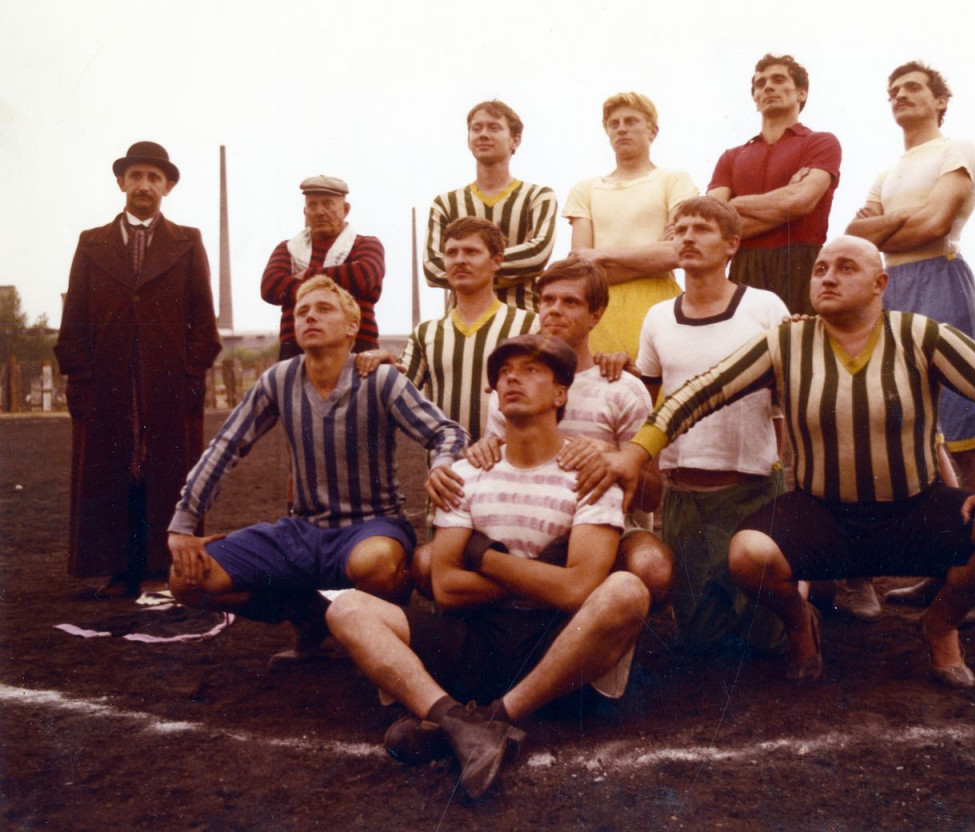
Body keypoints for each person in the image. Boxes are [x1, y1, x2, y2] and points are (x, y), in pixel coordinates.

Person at [582, 235, 975, 689]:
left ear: (880, 283)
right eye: (820, 269)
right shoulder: (787, 342)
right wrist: (635, 454)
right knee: (748, 554)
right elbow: (698, 394)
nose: (828, 278)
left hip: (914, 507)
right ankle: (801, 622)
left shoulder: (921, 334)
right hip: (823, 514)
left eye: (845, 268)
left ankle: (940, 624)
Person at [326, 334, 650, 799]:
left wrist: (483, 555)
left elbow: (577, 591)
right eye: (504, 373)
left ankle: (496, 716)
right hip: (476, 640)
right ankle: (456, 720)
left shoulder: (590, 474)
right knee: (346, 608)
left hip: (555, 648)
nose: (513, 379)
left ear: (561, 394)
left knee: (626, 591)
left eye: (531, 370)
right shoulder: (465, 473)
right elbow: (446, 586)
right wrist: (540, 573)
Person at [167, 277, 466, 665]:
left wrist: (441, 465)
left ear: (352, 326)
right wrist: (183, 524)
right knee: (186, 578)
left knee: (375, 562)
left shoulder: (380, 379)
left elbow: (447, 432)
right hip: (303, 531)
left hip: (372, 525)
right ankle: (309, 614)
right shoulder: (279, 379)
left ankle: (381, 634)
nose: (310, 317)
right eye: (302, 312)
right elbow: (225, 446)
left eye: (324, 309)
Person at [845, 61, 975, 622]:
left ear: (940, 101)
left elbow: (935, 225)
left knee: (963, 433)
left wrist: (889, 225)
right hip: (890, 289)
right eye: (893, 90)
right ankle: (941, 570)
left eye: (913, 88)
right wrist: (900, 221)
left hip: (940, 277)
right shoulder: (886, 174)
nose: (901, 95)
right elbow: (857, 235)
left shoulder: (958, 149)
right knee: (913, 435)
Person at [55, 142, 222, 598]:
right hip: (106, 381)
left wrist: (191, 371)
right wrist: (79, 374)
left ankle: (161, 567)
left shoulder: (187, 242)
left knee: (166, 471)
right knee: (111, 468)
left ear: (167, 187)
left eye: (153, 178)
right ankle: (117, 569)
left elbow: (203, 320)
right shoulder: (92, 243)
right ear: (121, 183)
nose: (144, 185)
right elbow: (74, 318)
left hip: (168, 382)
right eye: (135, 177)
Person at [457, 255, 672, 607]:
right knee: (430, 561)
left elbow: (651, 497)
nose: (555, 310)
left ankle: (610, 628)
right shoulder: (510, 388)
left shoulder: (623, 389)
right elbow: (498, 466)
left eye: (570, 302)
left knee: (653, 567)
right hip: (523, 516)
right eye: (548, 300)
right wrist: (484, 449)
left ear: (596, 315)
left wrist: (613, 457)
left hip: (601, 525)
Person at [636, 196, 790, 652]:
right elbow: (645, 397)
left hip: (751, 489)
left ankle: (802, 600)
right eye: (679, 229)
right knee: (699, 644)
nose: (687, 237)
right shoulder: (658, 316)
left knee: (765, 642)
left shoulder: (763, 306)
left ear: (732, 245)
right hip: (684, 497)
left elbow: (789, 394)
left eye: (701, 229)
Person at [563, 92, 698, 359]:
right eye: (614, 124)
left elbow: (676, 253)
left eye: (631, 121)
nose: (621, 129)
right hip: (601, 309)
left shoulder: (674, 180)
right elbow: (582, 270)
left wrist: (602, 255)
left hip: (660, 304)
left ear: (653, 131)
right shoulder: (586, 189)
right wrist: (652, 258)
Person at [708, 53, 842, 316]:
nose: (768, 86)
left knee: (801, 340)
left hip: (802, 263)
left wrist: (734, 204)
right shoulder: (731, 157)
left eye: (779, 80)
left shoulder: (820, 143)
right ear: (755, 98)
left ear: (801, 93)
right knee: (746, 341)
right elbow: (713, 221)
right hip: (745, 265)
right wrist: (784, 204)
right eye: (760, 83)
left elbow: (800, 201)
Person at [388, 216, 538, 443]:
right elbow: (395, 395)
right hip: (447, 463)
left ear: (497, 261)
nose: (459, 260)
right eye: (451, 253)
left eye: (471, 252)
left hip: (511, 461)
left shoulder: (531, 326)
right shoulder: (425, 333)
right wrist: (379, 365)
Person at [424, 100, 557, 311]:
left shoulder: (538, 197)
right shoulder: (446, 204)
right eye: (476, 128)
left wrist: (464, 269)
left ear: (515, 140)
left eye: (494, 128)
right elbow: (432, 268)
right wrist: (514, 267)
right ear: (468, 140)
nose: (483, 134)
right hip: (460, 321)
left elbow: (537, 256)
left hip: (523, 318)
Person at [260, 175, 384, 361]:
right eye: (312, 205)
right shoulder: (288, 249)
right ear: (305, 211)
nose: (319, 212)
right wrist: (339, 282)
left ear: (346, 209)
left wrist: (306, 276)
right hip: (295, 350)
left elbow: (364, 276)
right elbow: (270, 287)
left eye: (328, 204)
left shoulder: (366, 244)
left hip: (357, 347)